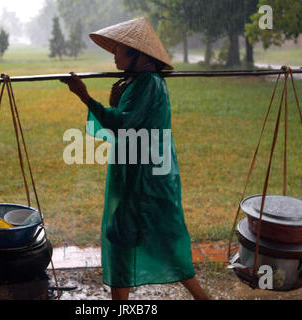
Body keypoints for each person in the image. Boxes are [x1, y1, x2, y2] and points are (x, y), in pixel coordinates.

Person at [61, 17, 210, 300]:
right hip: (137, 172)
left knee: (159, 237)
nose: (113, 54)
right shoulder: (138, 82)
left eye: (118, 49)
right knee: (124, 234)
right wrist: (116, 104)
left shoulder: (149, 84)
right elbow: (128, 123)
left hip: (147, 179)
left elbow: (121, 126)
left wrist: (85, 96)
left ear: (137, 54)